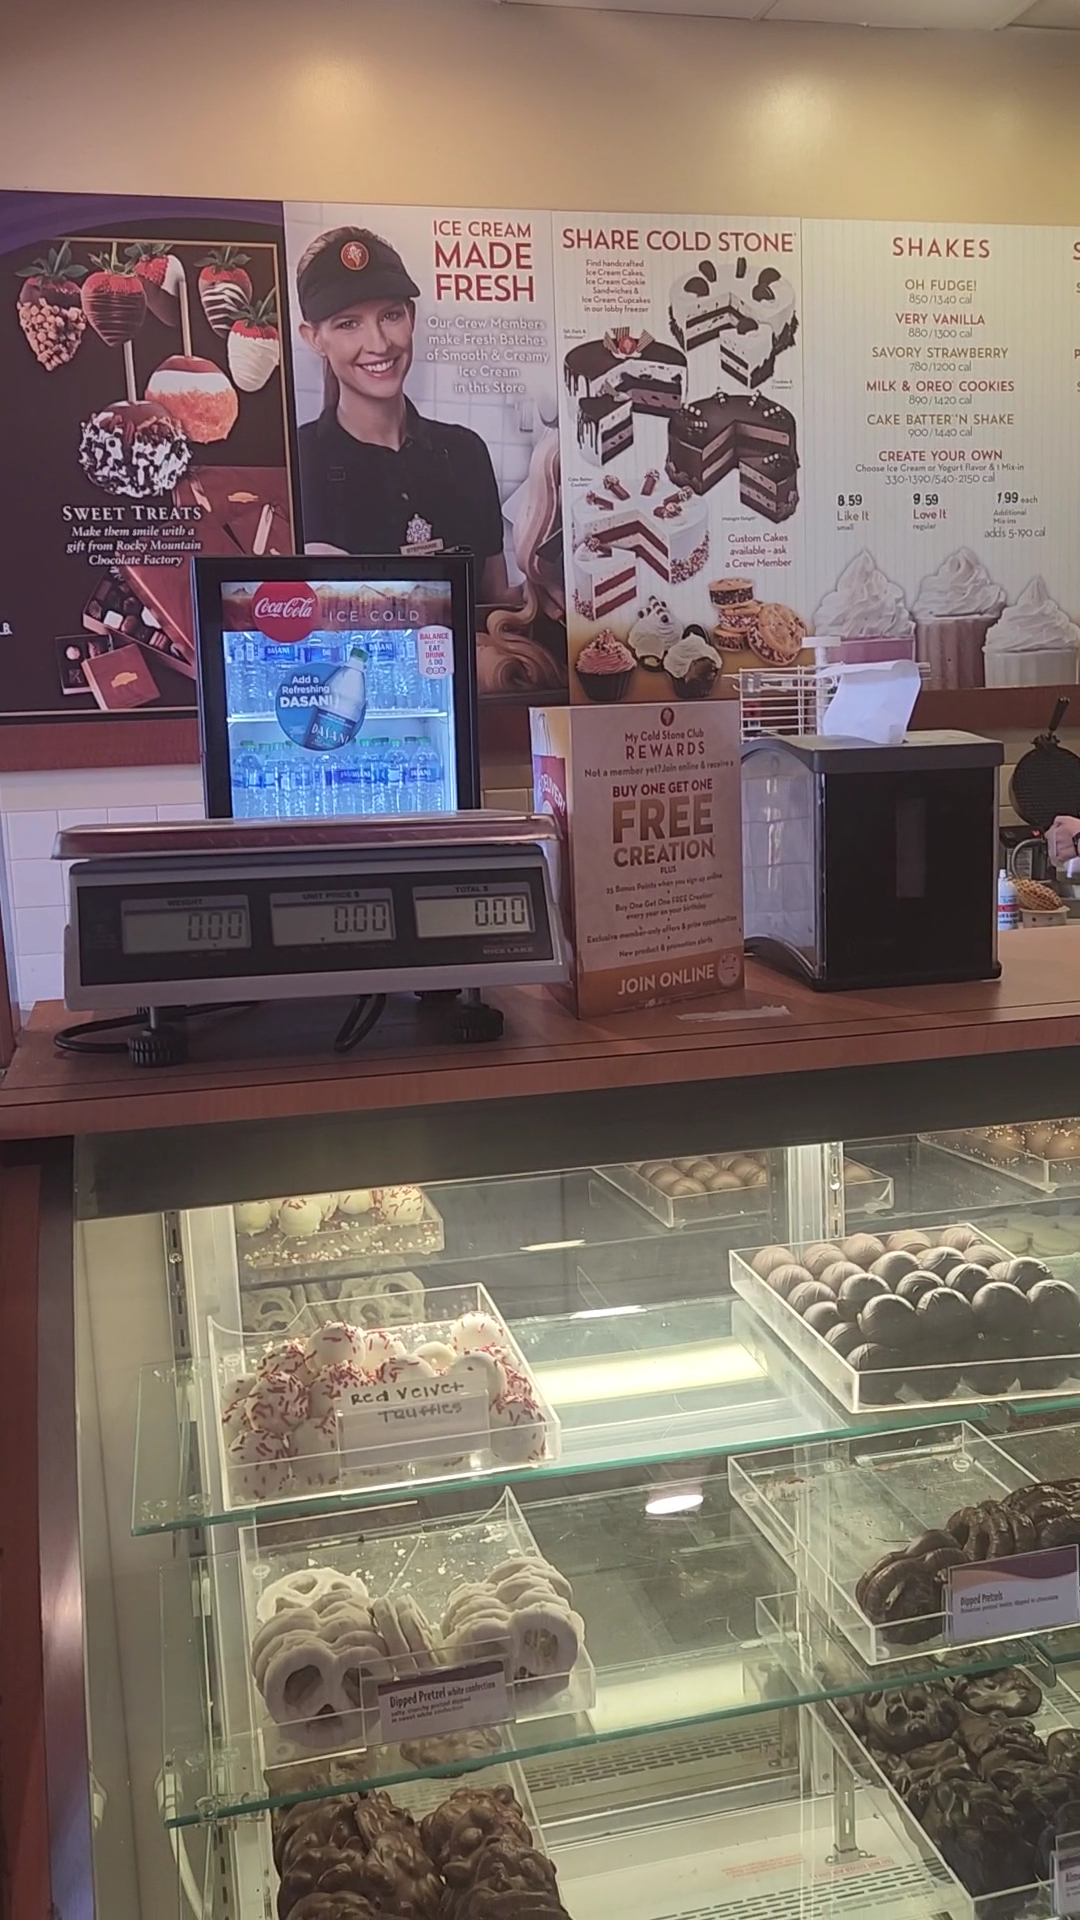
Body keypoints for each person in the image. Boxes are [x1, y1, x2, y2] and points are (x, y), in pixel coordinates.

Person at [296, 226, 510, 602]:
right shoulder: (298, 463)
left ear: (411, 317)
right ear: (314, 338)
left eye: (391, 316)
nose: (379, 344)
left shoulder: (465, 452)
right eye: (349, 324)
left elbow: (494, 605)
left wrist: (544, 587)